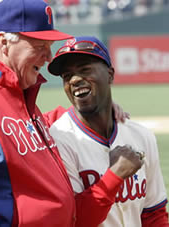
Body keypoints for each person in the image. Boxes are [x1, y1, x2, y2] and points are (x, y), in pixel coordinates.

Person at [0, 0, 144, 226]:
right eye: (40, 46)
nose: (49, 57)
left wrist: (95, 107)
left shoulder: (14, 91)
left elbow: (14, 132)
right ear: (4, 42)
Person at [47, 36, 169, 227]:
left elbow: (154, 214)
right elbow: (74, 221)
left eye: (85, 70)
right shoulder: (59, 140)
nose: (75, 80)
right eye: (67, 76)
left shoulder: (141, 135)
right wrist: (115, 175)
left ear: (110, 74)